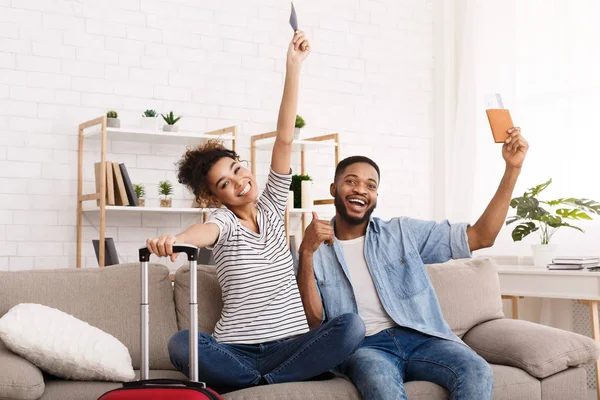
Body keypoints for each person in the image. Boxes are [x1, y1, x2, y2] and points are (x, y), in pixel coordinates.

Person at [145, 31, 365, 391]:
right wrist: (177, 240)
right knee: (181, 343)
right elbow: (202, 234)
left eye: (237, 169)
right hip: (237, 352)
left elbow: (284, 137)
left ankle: (260, 383)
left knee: (351, 327)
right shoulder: (223, 221)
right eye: (225, 184)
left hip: (290, 347)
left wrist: (293, 66)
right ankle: (265, 380)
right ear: (216, 198)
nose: (239, 182)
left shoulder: (274, 203)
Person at [297, 129, 529, 399]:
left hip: (422, 337)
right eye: (351, 181)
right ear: (334, 189)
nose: (361, 189)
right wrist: (306, 253)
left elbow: (481, 236)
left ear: (375, 197)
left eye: (371, 185)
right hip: (364, 347)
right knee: (381, 385)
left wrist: (512, 169)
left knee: (477, 370)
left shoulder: (402, 232)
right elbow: (314, 321)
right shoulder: (314, 249)